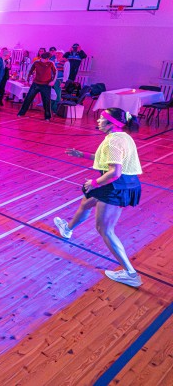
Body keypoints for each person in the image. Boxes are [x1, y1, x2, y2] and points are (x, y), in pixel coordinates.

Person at [54, 108, 143, 287]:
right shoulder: (123, 137)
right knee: (86, 202)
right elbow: (108, 159)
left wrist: (94, 183)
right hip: (124, 183)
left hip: (116, 186)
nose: (98, 121)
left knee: (105, 229)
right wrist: (82, 155)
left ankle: (130, 273)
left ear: (112, 123)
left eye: (102, 119)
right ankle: (68, 229)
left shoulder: (113, 142)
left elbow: (115, 172)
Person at [17, 52, 57, 120]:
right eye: (46, 59)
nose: (47, 60)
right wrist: (27, 80)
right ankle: (21, 113)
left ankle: (47, 116)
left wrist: (53, 81)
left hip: (46, 85)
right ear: (42, 58)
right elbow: (30, 71)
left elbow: (55, 72)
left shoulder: (51, 63)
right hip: (36, 83)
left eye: (48, 59)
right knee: (28, 98)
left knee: (46, 101)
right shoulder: (36, 63)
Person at [48, 47, 66, 113]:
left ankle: (56, 109)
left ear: (62, 55)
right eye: (57, 53)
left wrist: (64, 82)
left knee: (58, 95)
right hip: (52, 80)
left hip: (59, 80)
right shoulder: (54, 61)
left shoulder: (65, 62)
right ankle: (51, 108)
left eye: (59, 54)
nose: (57, 55)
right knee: (52, 94)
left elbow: (66, 73)